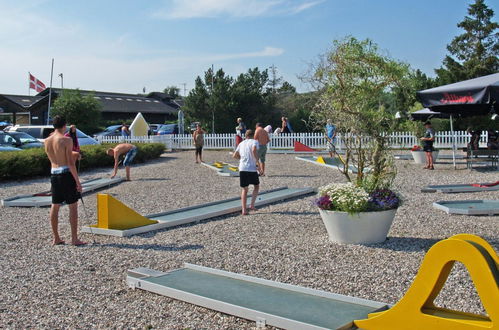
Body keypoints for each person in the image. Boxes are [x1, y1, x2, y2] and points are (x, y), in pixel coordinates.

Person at [44, 115, 85, 246]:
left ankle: (56, 237)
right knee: (72, 206)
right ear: (64, 125)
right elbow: (70, 163)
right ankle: (74, 238)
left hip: (53, 174)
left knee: (55, 205)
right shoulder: (66, 140)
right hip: (66, 174)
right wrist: (78, 182)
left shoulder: (47, 140)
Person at [233, 130, 261, 215]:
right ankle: (252, 205)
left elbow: (234, 155)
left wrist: (242, 159)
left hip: (242, 168)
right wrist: (257, 162)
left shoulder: (241, 143)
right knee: (256, 186)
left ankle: (244, 210)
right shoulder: (255, 142)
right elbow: (254, 150)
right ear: (253, 135)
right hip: (251, 168)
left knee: (244, 189)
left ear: (246, 136)